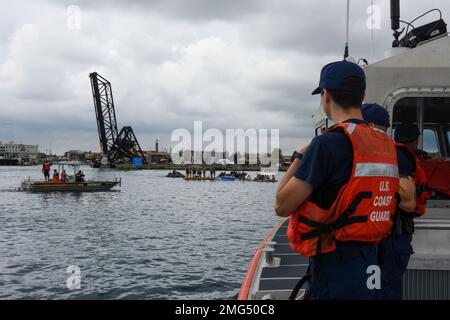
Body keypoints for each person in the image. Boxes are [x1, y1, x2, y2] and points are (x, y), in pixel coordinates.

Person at [275, 61, 399, 300]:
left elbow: (282, 205)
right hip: (371, 262)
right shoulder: (385, 144)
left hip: (336, 265)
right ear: (362, 95)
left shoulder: (325, 144)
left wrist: (301, 156)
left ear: (326, 96)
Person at [362, 103, 428, 299]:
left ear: (370, 126)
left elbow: (408, 203)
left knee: (386, 292)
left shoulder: (396, 155)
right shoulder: (370, 155)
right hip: (377, 240)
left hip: (392, 240)